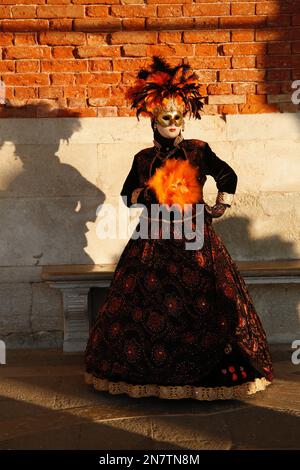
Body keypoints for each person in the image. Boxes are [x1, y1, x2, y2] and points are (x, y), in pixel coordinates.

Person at [84, 56, 273, 400]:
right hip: (152, 240)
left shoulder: (198, 151)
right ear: (153, 121)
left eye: (178, 117)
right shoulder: (143, 159)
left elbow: (227, 175)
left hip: (195, 240)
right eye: (165, 117)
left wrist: (219, 205)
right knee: (149, 305)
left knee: (206, 302)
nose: (173, 122)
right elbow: (127, 195)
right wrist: (147, 193)